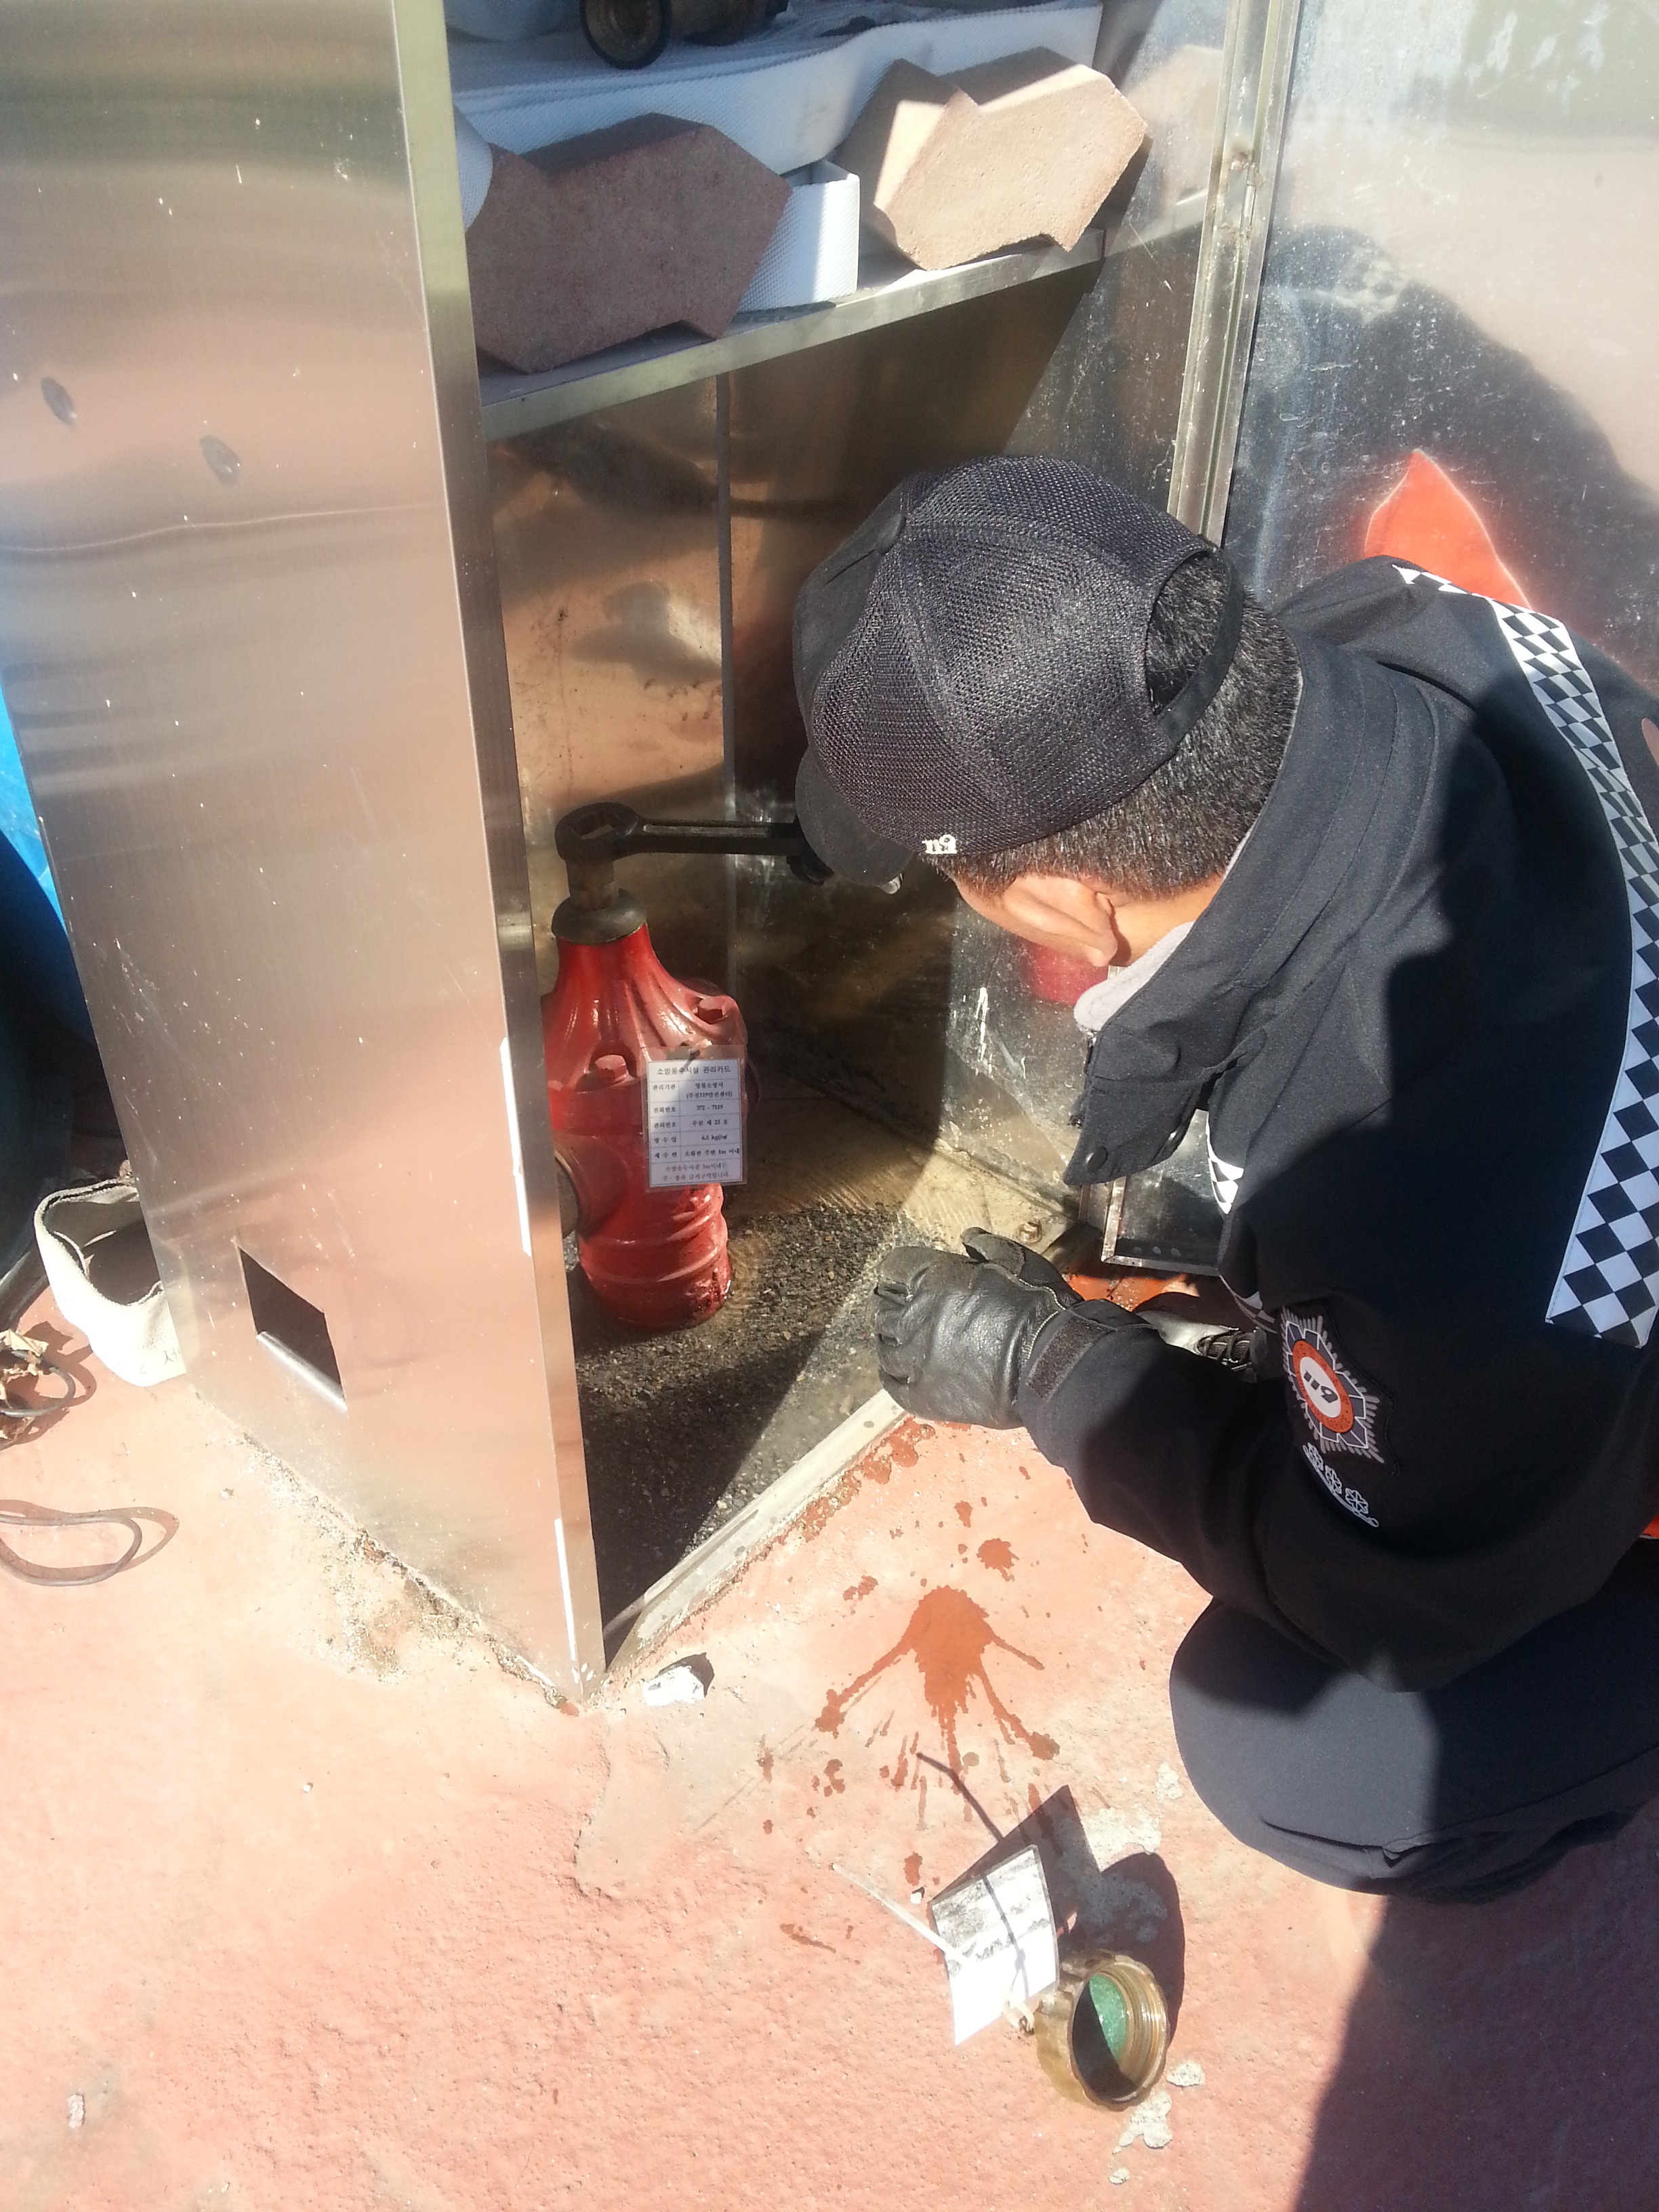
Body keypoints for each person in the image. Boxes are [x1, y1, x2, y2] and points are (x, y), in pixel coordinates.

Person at [790, 453, 1659, 1902]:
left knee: (1281, 1743)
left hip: (1565, 1391)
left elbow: (1386, 1595)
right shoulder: (1400, 621)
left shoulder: (1435, 1213)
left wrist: (1061, 1374)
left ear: (1061, 900)